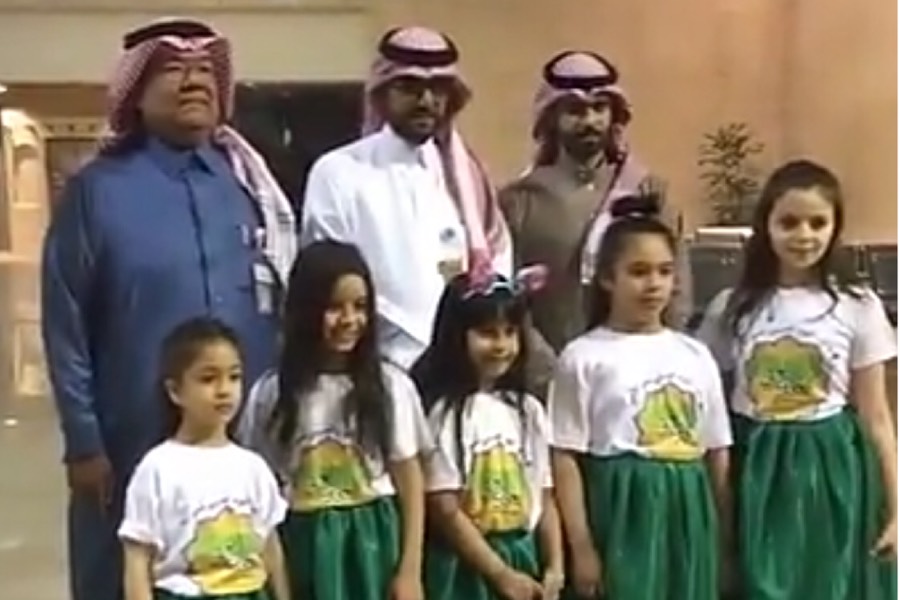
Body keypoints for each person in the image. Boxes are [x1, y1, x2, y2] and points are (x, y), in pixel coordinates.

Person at [40, 18, 297, 600]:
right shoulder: (97, 190)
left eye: (205, 69)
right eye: (174, 69)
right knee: (121, 567)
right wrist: (84, 440)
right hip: (128, 430)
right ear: (135, 89)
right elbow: (65, 321)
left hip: (238, 430)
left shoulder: (244, 187)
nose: (194, 82)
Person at [696, 159, 897, 600]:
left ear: (835, 227)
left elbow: (878, 416)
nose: (804, 235)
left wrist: (896, 508)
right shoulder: (732, 307)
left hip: (831, 464)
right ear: (766, 226)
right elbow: (710, 406)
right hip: (757, 462)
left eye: (817, 223)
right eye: (789, 222)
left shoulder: (857, 305)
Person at [300, 25, 514, 373]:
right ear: (382, 92)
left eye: (438, 88)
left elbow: (496, 266)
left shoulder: (466, 176)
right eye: (410, 87)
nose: (426, 101)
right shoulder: (338, 172)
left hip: (460, 371)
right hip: (376, 367)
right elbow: (330, 279)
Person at [549, 198, 732, 600]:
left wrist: (723, 535)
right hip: (622, 511)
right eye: (638, 272)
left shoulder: (695, 355)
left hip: (688, 509)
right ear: (607, 278)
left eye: (664, 271)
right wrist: (582, 547)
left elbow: (717, 453)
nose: (653, 284)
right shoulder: (583, 357)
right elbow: (565, 458)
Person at [236, 240, 428, 600]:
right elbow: (258, 486)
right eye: (334, 308)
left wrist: (410, 570)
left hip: (373, 541)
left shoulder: (391, 387)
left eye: (360, 306)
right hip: (304, 543)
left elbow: (410, 478)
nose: (350, 320)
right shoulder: (272, 393)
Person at [499, 50, 693, 353]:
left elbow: (676, 292)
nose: (590, 121)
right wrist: (542, 365)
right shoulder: (519, 201)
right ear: (551, 118)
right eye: (575, 111)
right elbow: (507, 298)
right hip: (548, 365)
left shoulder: (646, 192)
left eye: (599, 108)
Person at [411, 269, 564, 600]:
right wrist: (499, 573)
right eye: (487, 333)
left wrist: (555, 565)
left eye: (510, 332)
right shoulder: (443, 414)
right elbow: (445, 508)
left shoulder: (529, 411)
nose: (501, 345)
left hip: (523, 556)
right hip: (464, 566)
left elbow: (545, 497)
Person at [119, 317, 291, 600]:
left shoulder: (253, 467)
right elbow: (137, 561)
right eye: (208, 379)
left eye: (234, 377)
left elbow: (271, 549)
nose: (224, 390)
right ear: (175, 391)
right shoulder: (157, 469)